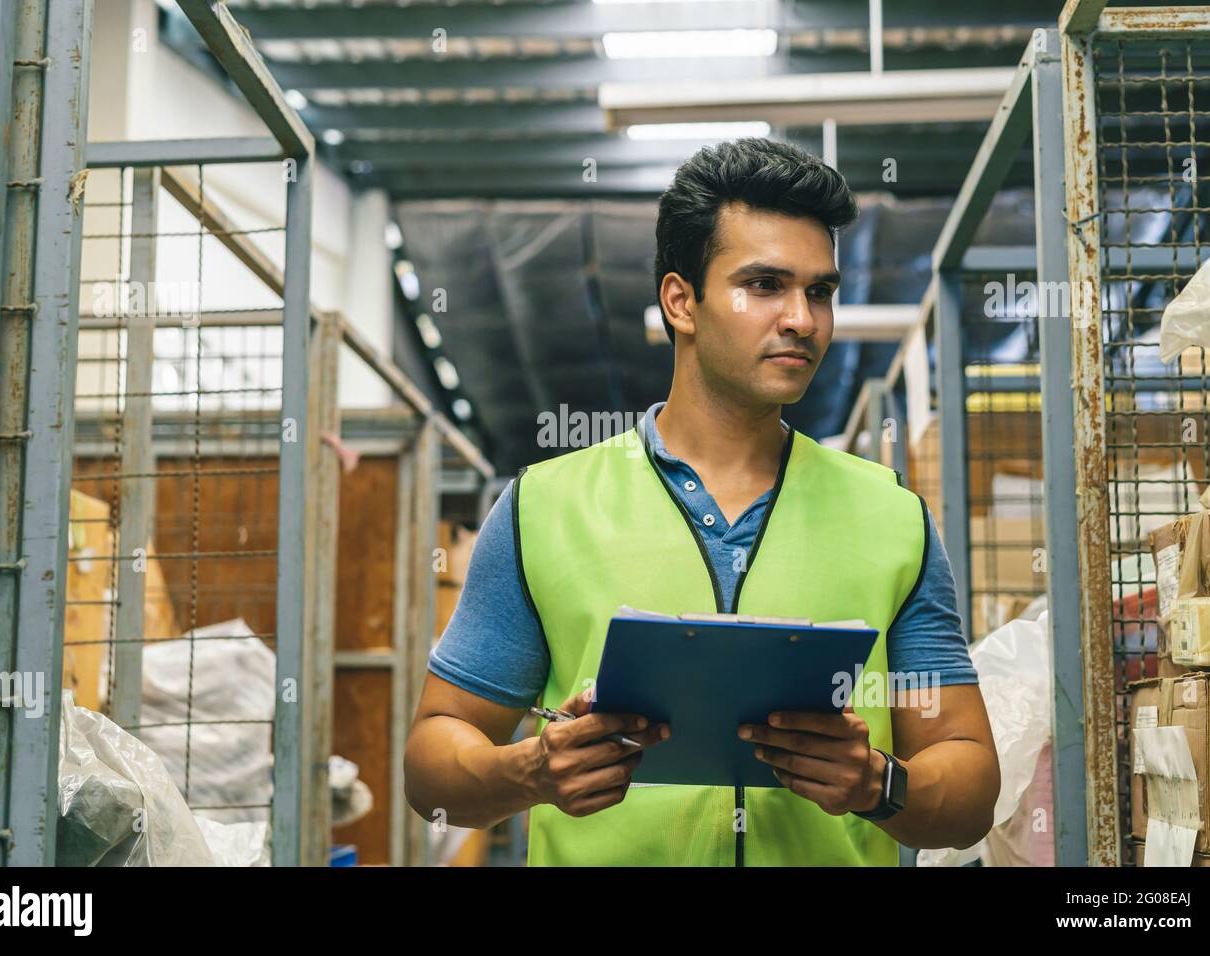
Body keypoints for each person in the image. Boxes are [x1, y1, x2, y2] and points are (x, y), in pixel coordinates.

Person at [404, 137, 999, 865]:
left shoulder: (893, 518)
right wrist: (531, 769)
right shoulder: (543, 508)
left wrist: (878, 782)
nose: (802, 320)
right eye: (764, 285)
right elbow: (431, 760)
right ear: (681, 301)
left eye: (819, 291)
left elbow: (969, 787)